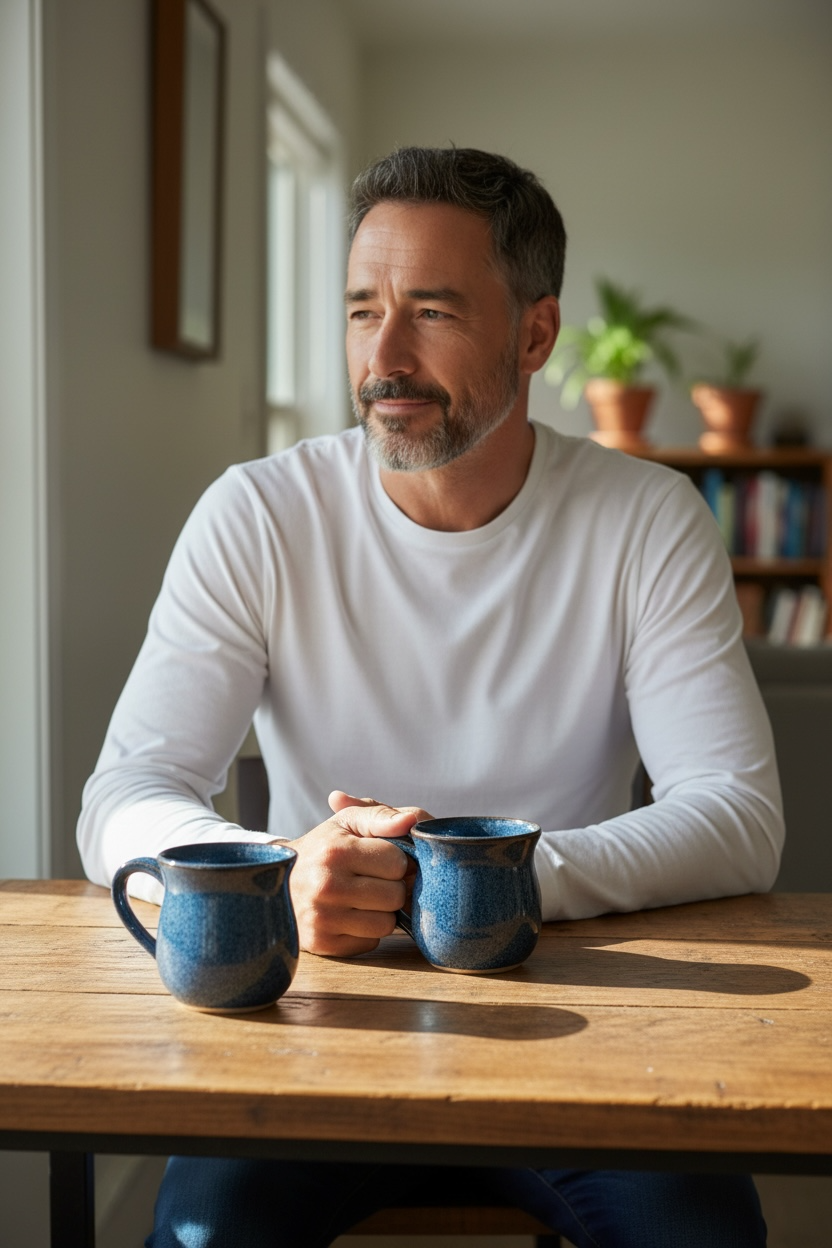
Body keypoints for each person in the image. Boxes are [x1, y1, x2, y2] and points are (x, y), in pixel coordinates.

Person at [78, 146, 782, 1247]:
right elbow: (127, 793)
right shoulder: (258, 515)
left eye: (433, 312)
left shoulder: (645, 519)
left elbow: (738, 817)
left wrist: (491, 884)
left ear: (536, 335)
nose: (383, 357)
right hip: (318, 1026)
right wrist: (274, 878)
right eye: (364, 310)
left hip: (586, 1033)